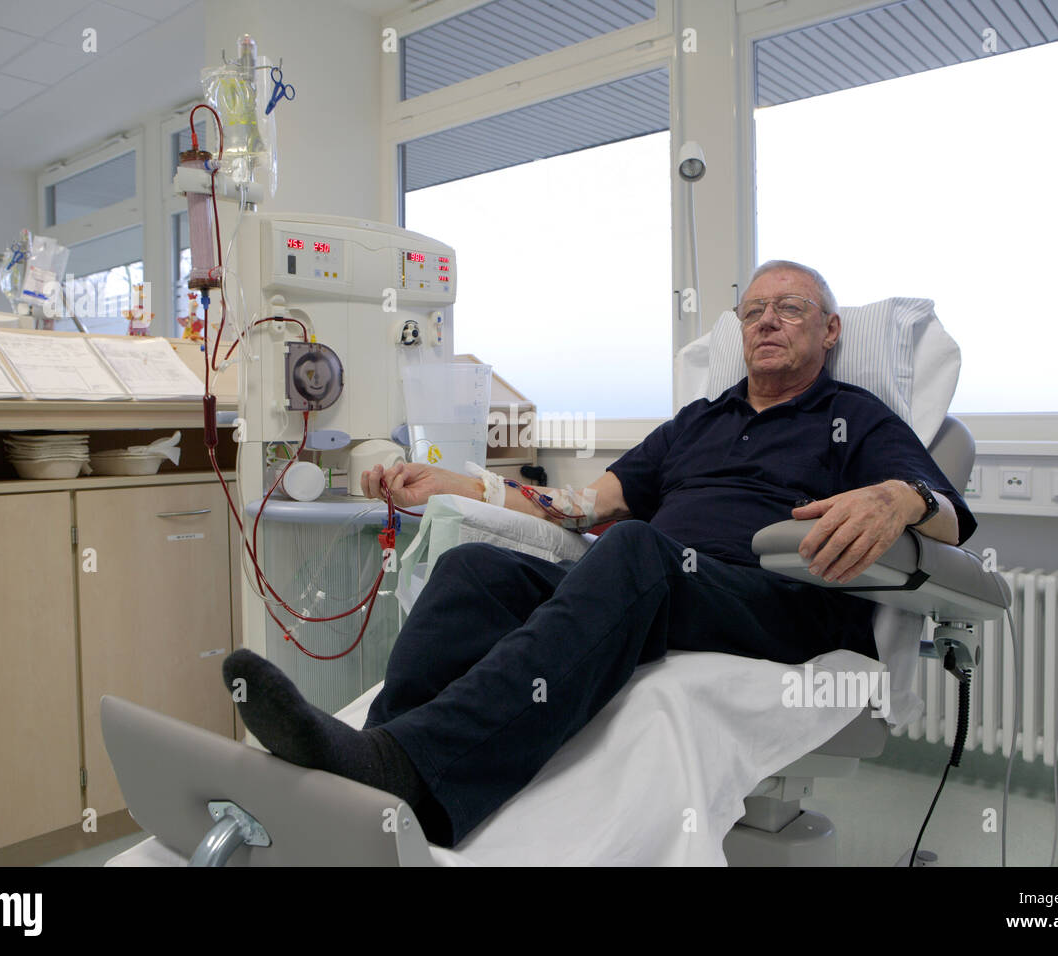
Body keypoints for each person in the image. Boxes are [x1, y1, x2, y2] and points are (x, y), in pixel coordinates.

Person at [222, 259, 976, 848]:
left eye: (790, 309)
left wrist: (899, 500)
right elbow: (583, 508)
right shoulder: (697, 422)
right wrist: (468, 484)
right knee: (472, 571)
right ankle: (370, 768)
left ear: (831, 330)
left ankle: (416, 773)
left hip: (781, 599)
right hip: (662, 586)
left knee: (639, 553)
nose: (767, 322)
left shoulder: (852, 415)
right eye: (752, 311)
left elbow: (949, 514)